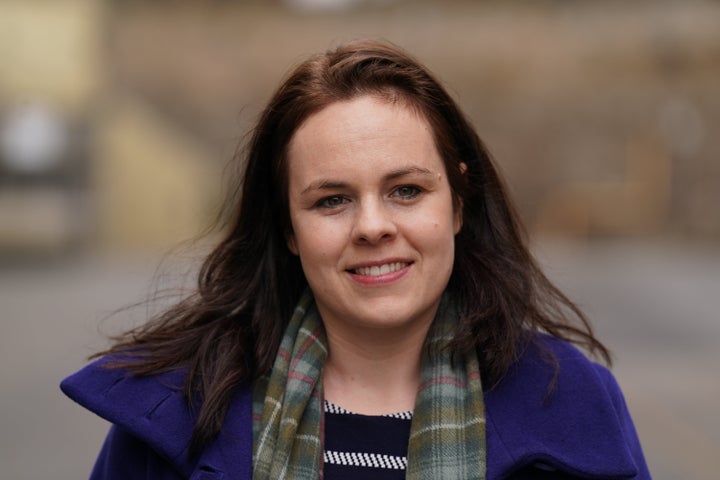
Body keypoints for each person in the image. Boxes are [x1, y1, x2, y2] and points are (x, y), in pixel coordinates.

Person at [61, 40, 650, 479]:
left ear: (459, 203)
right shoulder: (175, 416)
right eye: (332, 200)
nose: (372, 227)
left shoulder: (574, 401)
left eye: (406, 191)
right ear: (288, 229)